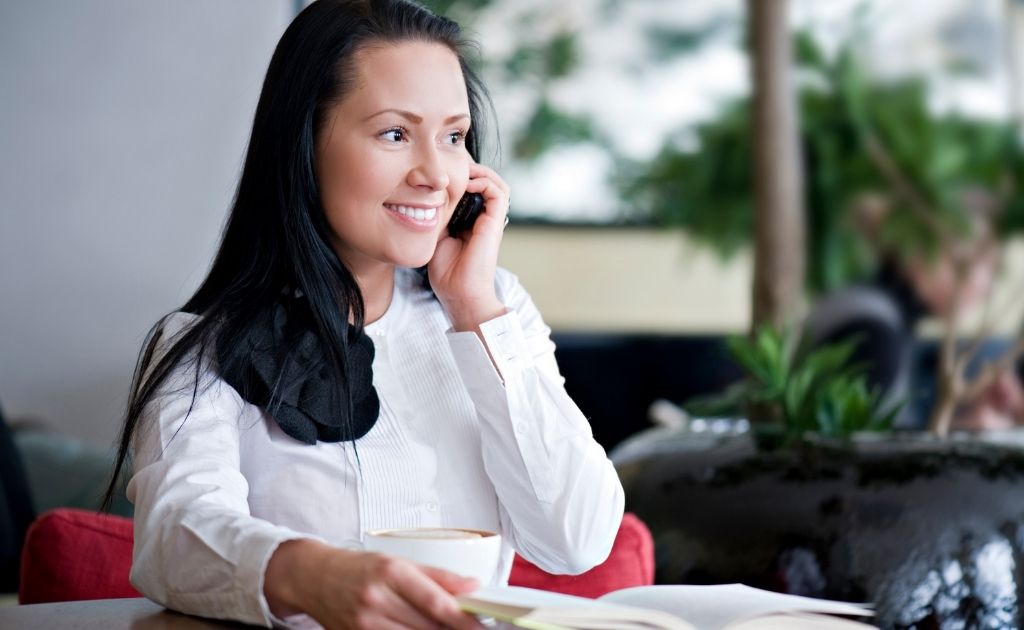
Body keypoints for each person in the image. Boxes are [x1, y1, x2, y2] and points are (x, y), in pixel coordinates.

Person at [102, 1, 625, 628]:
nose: (437, 174)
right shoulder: (200, 347)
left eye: (454, 137)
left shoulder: (493, 309)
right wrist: (314, 575)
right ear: (304, 143)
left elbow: (577, 541)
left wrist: (475, 309)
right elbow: (174, 537)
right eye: (395, 134)